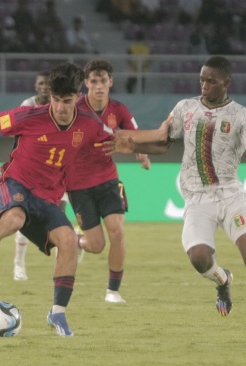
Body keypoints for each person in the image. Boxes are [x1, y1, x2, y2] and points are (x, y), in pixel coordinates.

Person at [0, 63, 114, 337]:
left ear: (78, 96)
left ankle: (58, 314)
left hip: (48, 197)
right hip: (15, 184)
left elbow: (117, 140)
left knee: (69, 241)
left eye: (66, 100)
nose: (60, 107)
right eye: (55, 100)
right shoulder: (29, 115)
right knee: (14, 218)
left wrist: (146, 147)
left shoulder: (89, 124)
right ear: (49, 96)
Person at [113, 56, 246, 333]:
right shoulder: (184, 108)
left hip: (230, 195)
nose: (204, 85)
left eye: (211, 81)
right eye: (202, 79)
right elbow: (163, 142)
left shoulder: (242, 115)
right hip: (197, 196)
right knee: (199, 258)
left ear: (226, 83)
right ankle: (223, 280)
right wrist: (129, 146)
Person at [66, 59, 151, 303]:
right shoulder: (75, 109)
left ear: (110, 82)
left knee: (117, 231)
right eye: (94, 81)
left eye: (103, 81)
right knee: (96, 245)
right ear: (86, 83)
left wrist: (141, 152)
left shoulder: (119, 109)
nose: (99, 86)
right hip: (79, 185)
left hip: (108, 180)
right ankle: (77, 240)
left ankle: (112, 291)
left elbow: (135, 134)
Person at [13, 70, 64, 281]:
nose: (44, 87)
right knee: (22, 216)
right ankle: (18, 264)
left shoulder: (61, 107)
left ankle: (62, 263)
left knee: (60, 212)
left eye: (47, 84)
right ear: (36, 86)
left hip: (56, 167)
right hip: (31, 168)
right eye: (41, 83)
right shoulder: (28, 105)